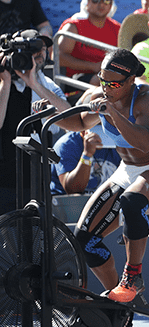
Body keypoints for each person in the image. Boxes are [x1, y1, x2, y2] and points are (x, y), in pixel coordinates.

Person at [49, 49, 149, 303]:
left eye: (114, 84)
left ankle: (133, 276)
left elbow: (143, 143)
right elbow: (76, 123)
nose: (106, 88)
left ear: (131, 81)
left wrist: (114, 113)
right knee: (84, 241)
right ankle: (118, 301)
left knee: (132, 201)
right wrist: (49, 107)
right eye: (102, 80)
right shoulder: (102, 95)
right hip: (127, 170)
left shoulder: (148, 100)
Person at [0, 30, 71, 214]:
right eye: (32, 49)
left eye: (43, 48)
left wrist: (34, 85)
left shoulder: (47, 86)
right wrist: (6, 83)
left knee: (36, 236)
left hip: (36, 179)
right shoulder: (2, 83)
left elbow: (69, 117)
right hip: (4, 179)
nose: (40, 53)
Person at [57, 0, 120, 90]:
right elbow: (58, 57)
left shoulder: (118, 29)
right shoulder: (73, 26)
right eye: (95, 0)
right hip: (75, 80)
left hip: (107, 77)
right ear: (86, 3)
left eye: (106, 1)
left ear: (111, 5)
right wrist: (93, 66)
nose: (101, 4)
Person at [51, 125, 121, 195]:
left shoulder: (118, 142)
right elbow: (73, 189)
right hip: (72, 203)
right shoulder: (66, 145)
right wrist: (87, 154)